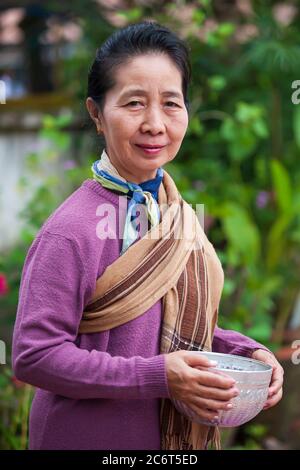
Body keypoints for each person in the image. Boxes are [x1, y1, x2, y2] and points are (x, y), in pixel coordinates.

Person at [12, 20, 283, 451]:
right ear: (96, 114)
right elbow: (34, 356)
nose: (155, 123)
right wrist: (158, 376)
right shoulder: (70, 231)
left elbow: (167, 323)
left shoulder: (174, 213)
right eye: (134, 103)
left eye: (171, 103)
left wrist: (247, 352)